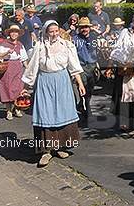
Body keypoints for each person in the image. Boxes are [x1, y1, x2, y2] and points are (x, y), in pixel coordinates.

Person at [22, 20, 85, 167]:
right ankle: (46, 151)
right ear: (46, 32)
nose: (54, 34)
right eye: (51, 31)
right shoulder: (39, 47)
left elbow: (74, 66)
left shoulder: (66, 45)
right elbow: (32, 68)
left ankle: (60, 147)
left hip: (63, 81)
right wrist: (26, 86)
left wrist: (80, 84)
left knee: (63, 112)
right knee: (46, 114)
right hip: (45, 82)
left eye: (56, 31)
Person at [0, 24, 29, 120]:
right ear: (9, 33)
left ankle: (17, 108)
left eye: (16, 32)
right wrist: (6, 53)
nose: (14, 34)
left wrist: (28, 70)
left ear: (18, 34)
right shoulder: (4, 44)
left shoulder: (20, 45)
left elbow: (24, 59)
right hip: (7, 68)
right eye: (12, 32)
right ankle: (8, 111)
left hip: (18, 68)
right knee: (7, 89)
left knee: (18, 89)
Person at [73, 17, 99, 123]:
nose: (84, 29)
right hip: (81, 67)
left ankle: (82, 106)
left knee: (90, 89)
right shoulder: (75, 39)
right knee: (83, 89)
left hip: (92, 66)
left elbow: (96, 52)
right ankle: (88, 110)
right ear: (79, 28)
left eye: (86, 27)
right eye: (82, 27)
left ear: (89, 28)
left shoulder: (93, 38)